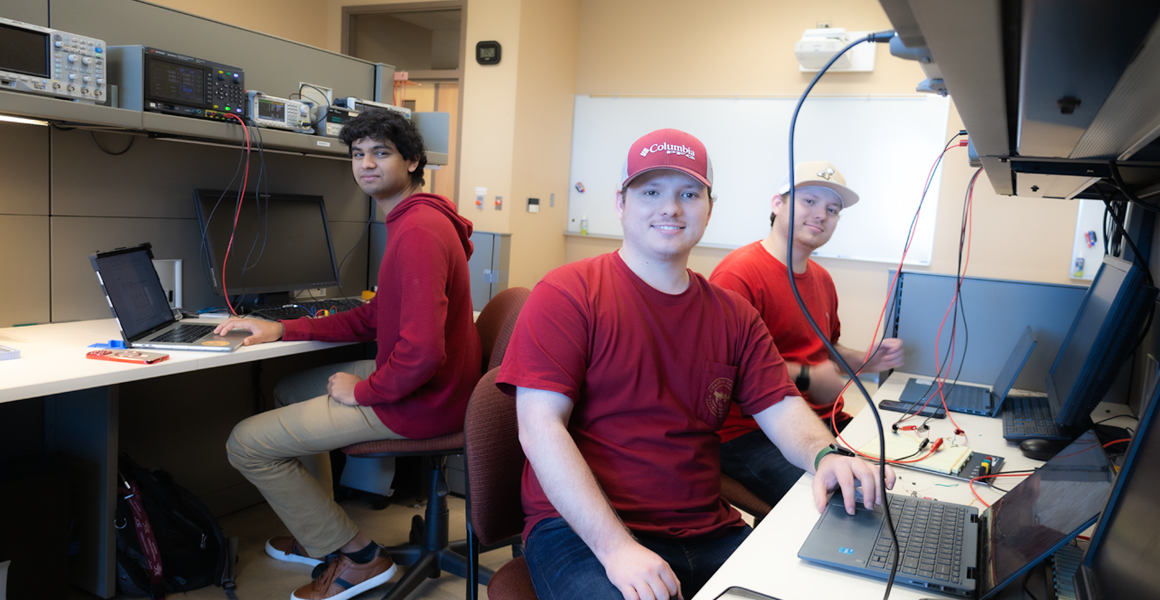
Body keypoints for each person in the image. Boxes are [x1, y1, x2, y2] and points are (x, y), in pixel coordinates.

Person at [497, 130, 895, 600]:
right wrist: (617, 548)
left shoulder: (733, 316)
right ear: (620, 203)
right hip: (585, 531)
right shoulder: (567, 294)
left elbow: (782, 407)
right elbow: (540, 429)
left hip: (707, 528)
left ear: (709, 208)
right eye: (651, 192)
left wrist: (825, 455)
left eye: (689, 194)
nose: (671, 208)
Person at [214, 109, 481, 600]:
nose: (366, 165)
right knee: (289, 389)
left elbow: (423, 352)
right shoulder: (414, 218)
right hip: (437, 386)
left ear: (412, 160)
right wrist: (284, 328)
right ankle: (319, 529)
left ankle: (358, 557)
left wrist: (363, 392)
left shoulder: (418, 232)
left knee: (245, 444)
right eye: (358, 154)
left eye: (381, 153)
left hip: (425, 400)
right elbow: (375, 316)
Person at [709, 161, 904, 509]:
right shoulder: (738, 274)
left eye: (832, 210)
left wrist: (866, 359)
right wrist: (806, 377)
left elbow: (826, 351)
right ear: (778, 204)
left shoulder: (822, 279)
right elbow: (726, 371)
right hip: (754, 432)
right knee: (846, 502)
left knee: (896, 476)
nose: (821, 215)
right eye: (809, 201)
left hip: (825, 420)